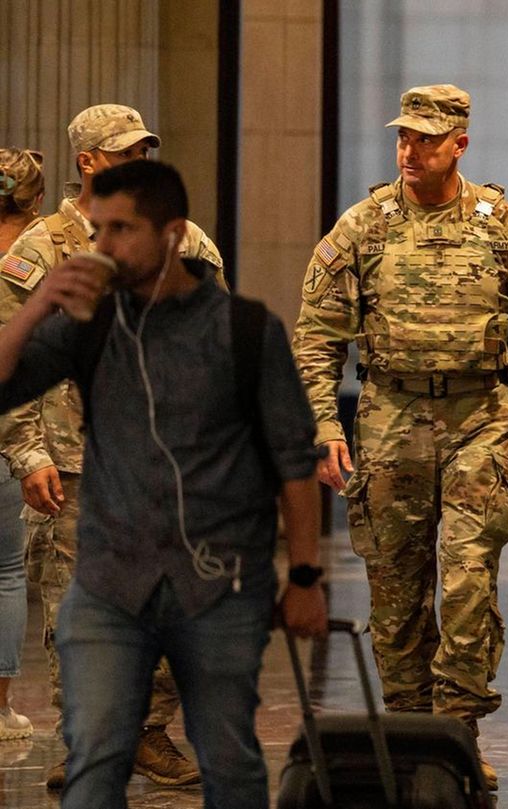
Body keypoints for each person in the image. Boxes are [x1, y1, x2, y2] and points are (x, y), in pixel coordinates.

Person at [291, 84, 508, 792]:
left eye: (426, 138)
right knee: (395, 590)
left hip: (477, 421)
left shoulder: (501, 224)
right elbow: (314, 336)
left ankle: (455, 732)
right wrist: (324, 426)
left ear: (460, 143)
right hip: (390, 418)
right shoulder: (364, 226)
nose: (410, 150)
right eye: (403, 136)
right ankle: (405, 731)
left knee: (465, 580)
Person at [0, 159, 327, 808]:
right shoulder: (90, 323)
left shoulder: (245, 329)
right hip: (109, 582)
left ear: (173, 233)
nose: (104, 246)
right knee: (93, 761)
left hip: (218, 584)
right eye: (97, 230)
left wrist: (306, 578)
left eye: (121, 229)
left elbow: (294, 462)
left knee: (228, 759)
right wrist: (39, 305)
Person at [0, 104, 225, 789]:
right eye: (124, 151)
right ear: (88, 162)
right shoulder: (42, 247)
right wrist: (28, 451)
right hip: (71, 462)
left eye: (144, 149)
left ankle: (149, 734)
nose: (140, 160)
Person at [0, 146, 46, 742]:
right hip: (16, 423)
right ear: (36, 200)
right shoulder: (38, 257)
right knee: (6, 571)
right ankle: (0, 709)